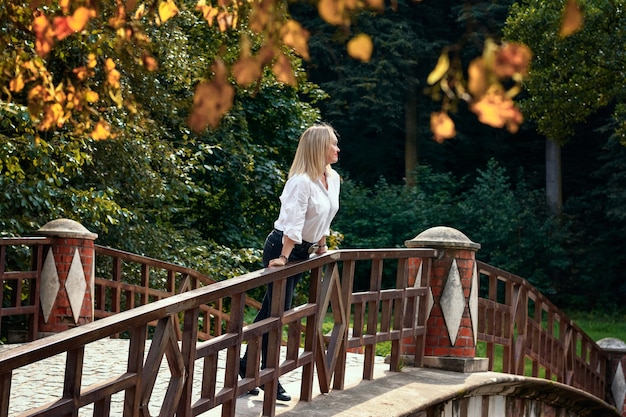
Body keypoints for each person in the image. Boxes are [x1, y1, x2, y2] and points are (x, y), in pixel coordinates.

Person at [239, 123, 341, 401]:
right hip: (282, 248)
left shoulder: (333, 179)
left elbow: (324, 217)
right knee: (278, 312)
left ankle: (248, 366)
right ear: (319, 147)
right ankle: (269, 375)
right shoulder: (301, 181)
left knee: (275, 310)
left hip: (304, 250)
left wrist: (321, 245)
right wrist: (283, 257)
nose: (337, 148)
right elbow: (294, 222)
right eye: (333, 143)